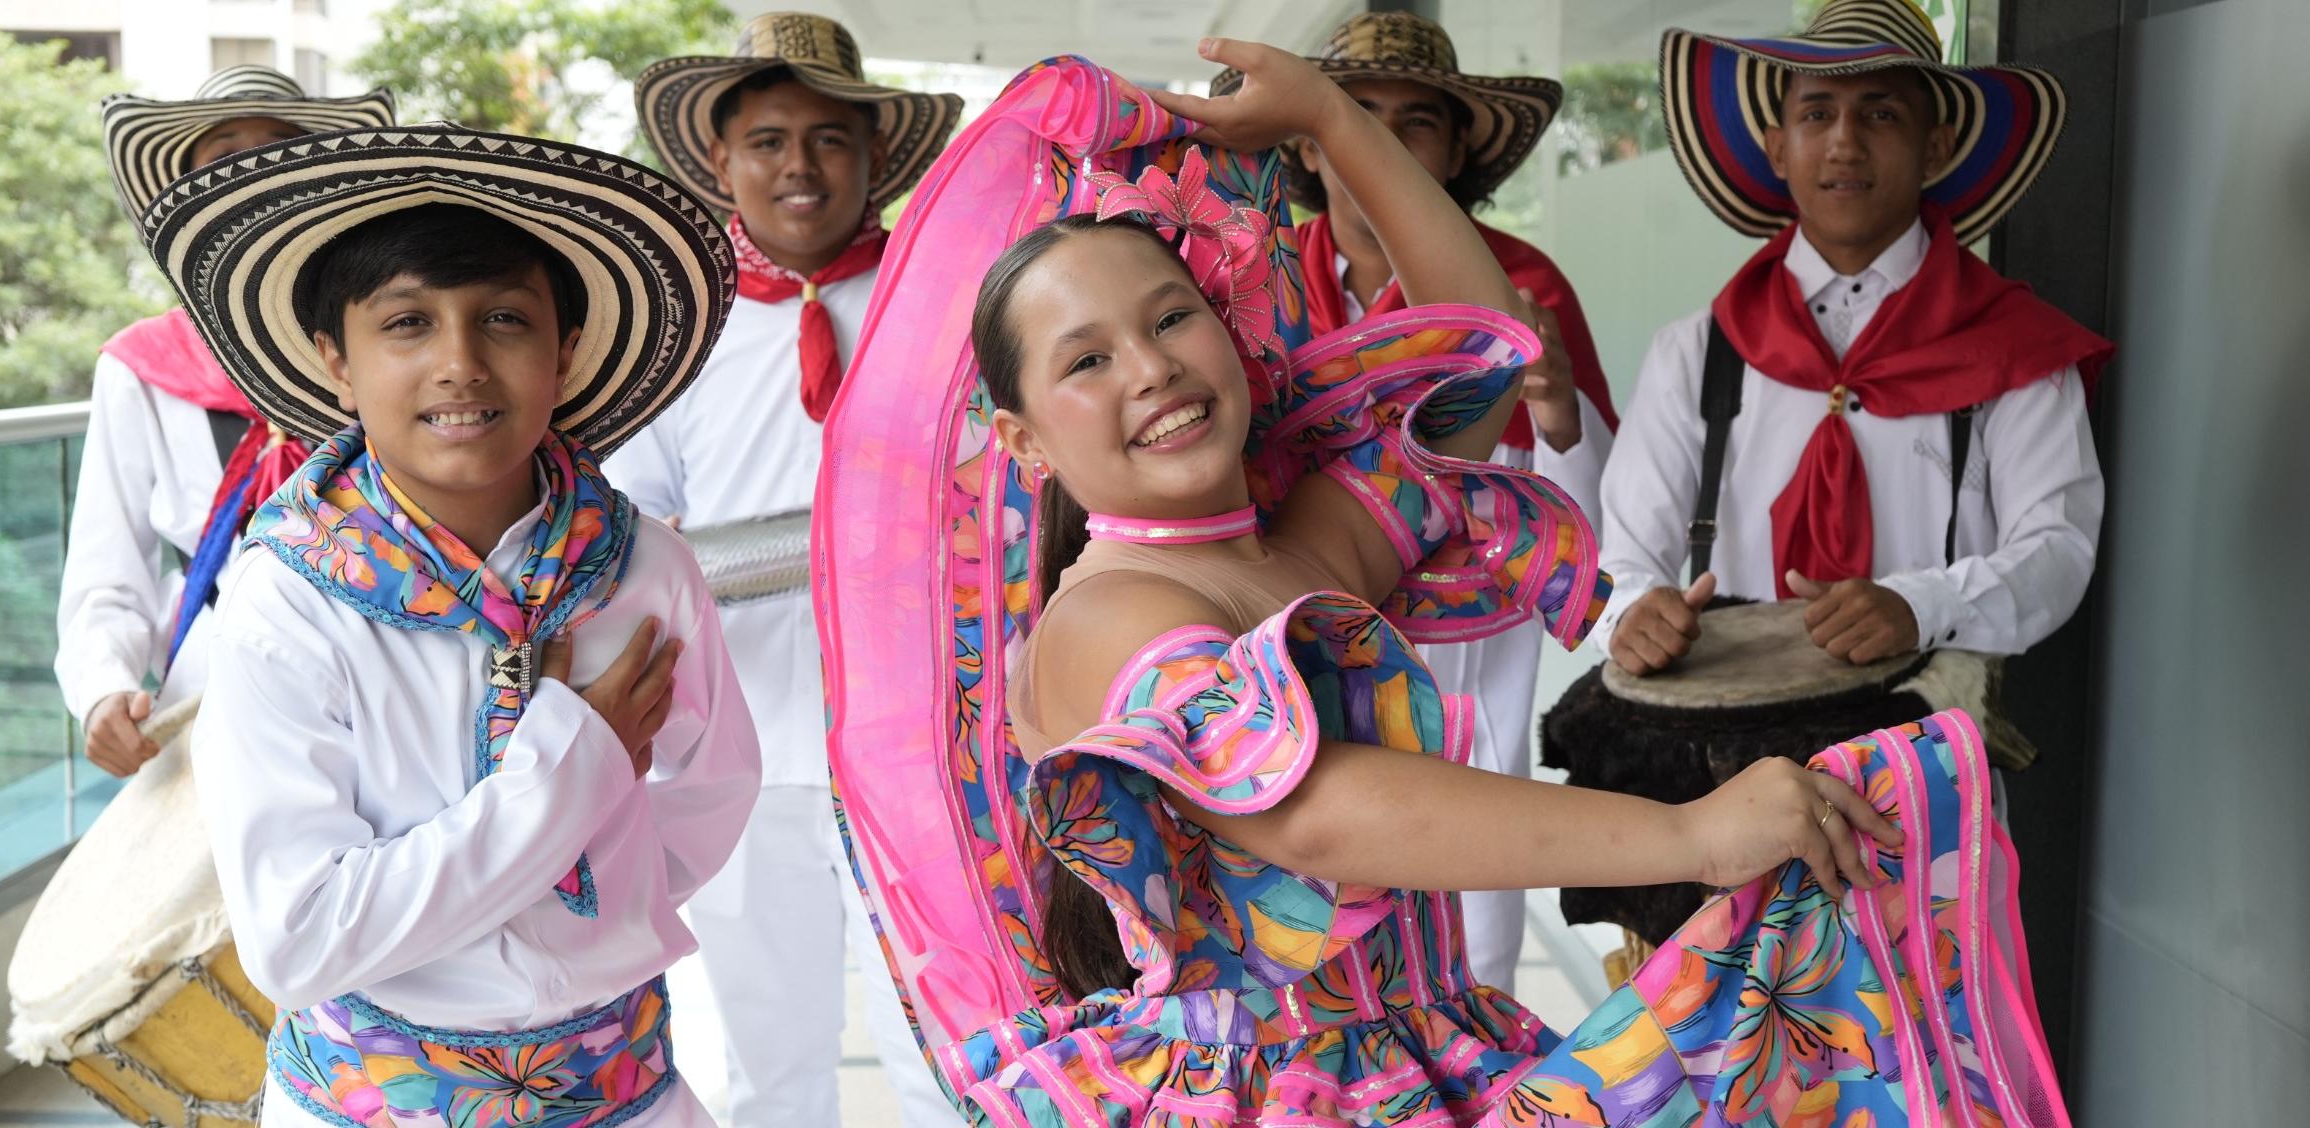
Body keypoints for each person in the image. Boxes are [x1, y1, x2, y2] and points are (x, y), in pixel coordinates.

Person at [816, 42, 2067, 1126]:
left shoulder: (1301, 543)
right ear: (1025, 442)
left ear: (1231, 336)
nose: (1148, 367)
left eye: (1172, 318)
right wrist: (1687, 834)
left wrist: (1330, 122)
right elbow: (1308, 808)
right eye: (1085, 358)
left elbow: (1483, 356)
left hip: (1410, 1053)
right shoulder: (1109, 616)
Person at [159, 125, 762, 1127]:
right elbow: (299, 938)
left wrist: (591, 927)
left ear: (564, 351)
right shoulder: (290, 599)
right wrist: (575, 771)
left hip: (618, 1091)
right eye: (406, 324)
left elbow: (711, 791)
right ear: (335, 362)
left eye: (504, 320)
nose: (458, 363)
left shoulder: (641, 564)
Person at [623, 13, 965, 1127]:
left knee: (939, 1046)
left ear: (873, 158)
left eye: (827, 138)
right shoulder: (677, 327)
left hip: (922, 740)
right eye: (767, 140)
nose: (798, 166)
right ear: (720, 161)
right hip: (739, 748)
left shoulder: (945, 307)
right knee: (773, 1062)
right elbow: (632, 531)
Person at [1240, 9, 1620, 992]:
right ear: (1309, 146)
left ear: (1454, 152)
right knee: (1301, 955)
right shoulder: (1251, 285)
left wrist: (1559, 408)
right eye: (1354, 117)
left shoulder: (1520, 288)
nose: (1379, 143)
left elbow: (1586, 505)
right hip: (1289, 664)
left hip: (1463, 671)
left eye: (1412, 124)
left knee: (1466, 956)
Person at [1597, 0, 2110, 684]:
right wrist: (1630, 612)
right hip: (1723, 772)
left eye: (1880, 113)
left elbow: (2057, 550)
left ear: (1936, 147)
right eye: (1816, 113)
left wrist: (1922, 604)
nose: (1843, 142)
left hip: (1929, 760)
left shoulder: (2015, 350)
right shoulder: (1693, 353)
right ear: (1777, 148)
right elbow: (1620, 560)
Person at [57, 65, 395, 777]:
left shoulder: (388, 338)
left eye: (282, 147)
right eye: (226, 155)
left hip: (391, 676)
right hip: (209, 695)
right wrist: (102, 690)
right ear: (188, 195)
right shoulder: (142, 365)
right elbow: (106, 572)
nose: (256, 169)